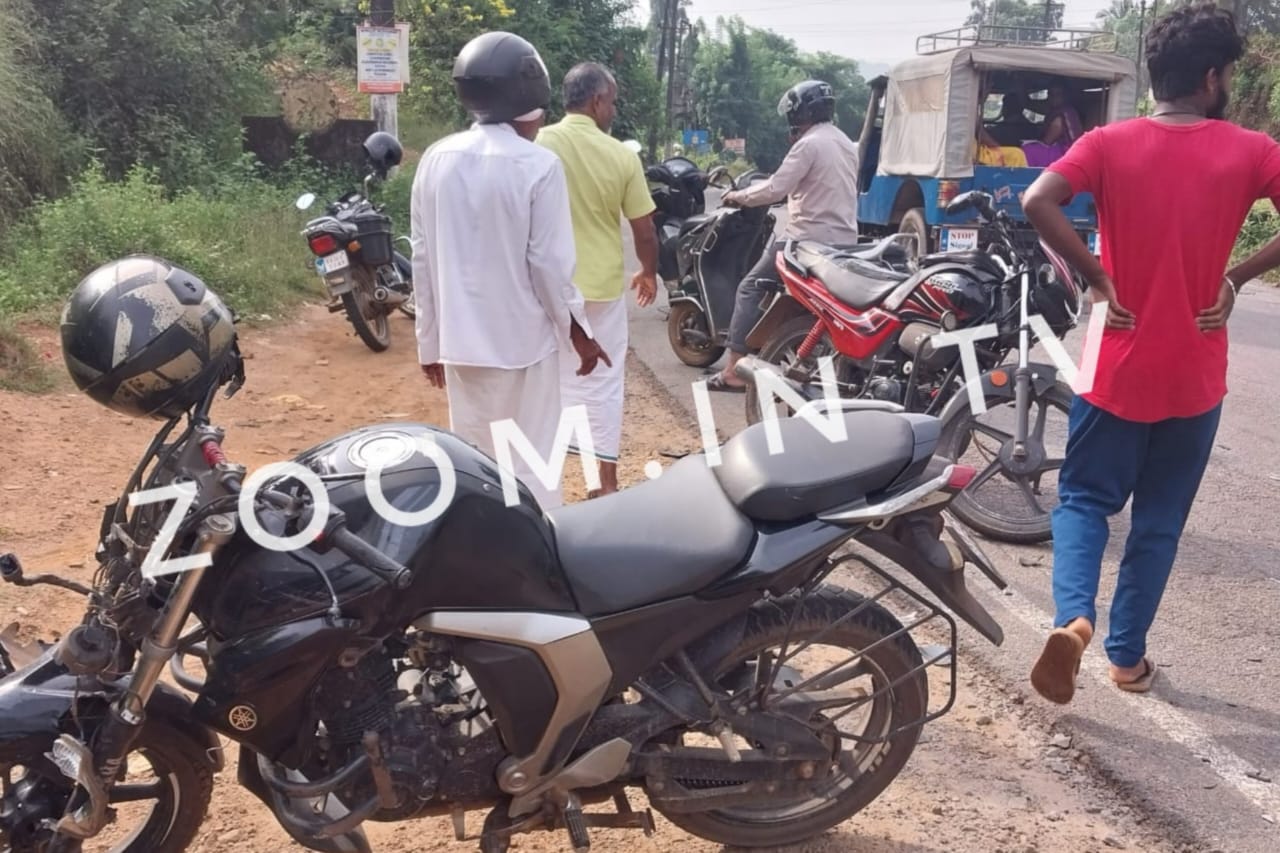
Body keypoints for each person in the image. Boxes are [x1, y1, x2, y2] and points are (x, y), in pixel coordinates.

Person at [1021, 1, 1280, 704]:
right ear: (1212, 76)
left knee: (1083, 499)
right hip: (1195, 370)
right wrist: (1236, 277)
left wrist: (1097, 276)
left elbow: (1038, 200)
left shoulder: (1108, 143)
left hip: (1118, 359)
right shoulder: (1253, 150)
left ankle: (1073, 620)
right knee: (1159, 521)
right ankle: (1127, 659)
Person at [410, 30, 610, 510]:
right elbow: (549, 267)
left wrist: (428, 343)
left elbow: (422, 257)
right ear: (530, 97)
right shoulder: (538, 165)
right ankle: (538, 546)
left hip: (461, 347)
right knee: (533, 464)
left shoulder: (435, 159)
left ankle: (482, 547)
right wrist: (579, 334)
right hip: (524, 347)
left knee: (475, 463)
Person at [536, 62, 659, 497]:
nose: (613, 111)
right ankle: (604, 484)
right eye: (612, 102)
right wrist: (648, 271)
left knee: (547, 384)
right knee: (603, 385)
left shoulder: (537, 144)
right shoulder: (621, 155)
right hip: (601, 291)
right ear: (596, 101)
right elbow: (644, 228)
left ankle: (541, 483)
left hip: (546, 289)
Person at [705, 79, 862, 392]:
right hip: (845, 242)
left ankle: (733, 369)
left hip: (805, 239)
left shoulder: (808, 144)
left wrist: (739, 197)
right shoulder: (847, 143)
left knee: (750, 287)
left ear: (801, 112)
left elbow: (776, 188)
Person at [1022, 81, 1084, 167]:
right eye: (1051, 94)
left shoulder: (1063, 114)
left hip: (1066, 154)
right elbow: (1030, 104)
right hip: (1068, 152)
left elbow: (1047, 141)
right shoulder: (1055, 110)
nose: (1054, 98)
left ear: (1065, 96)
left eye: (1058, 94)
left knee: (1028, 150)